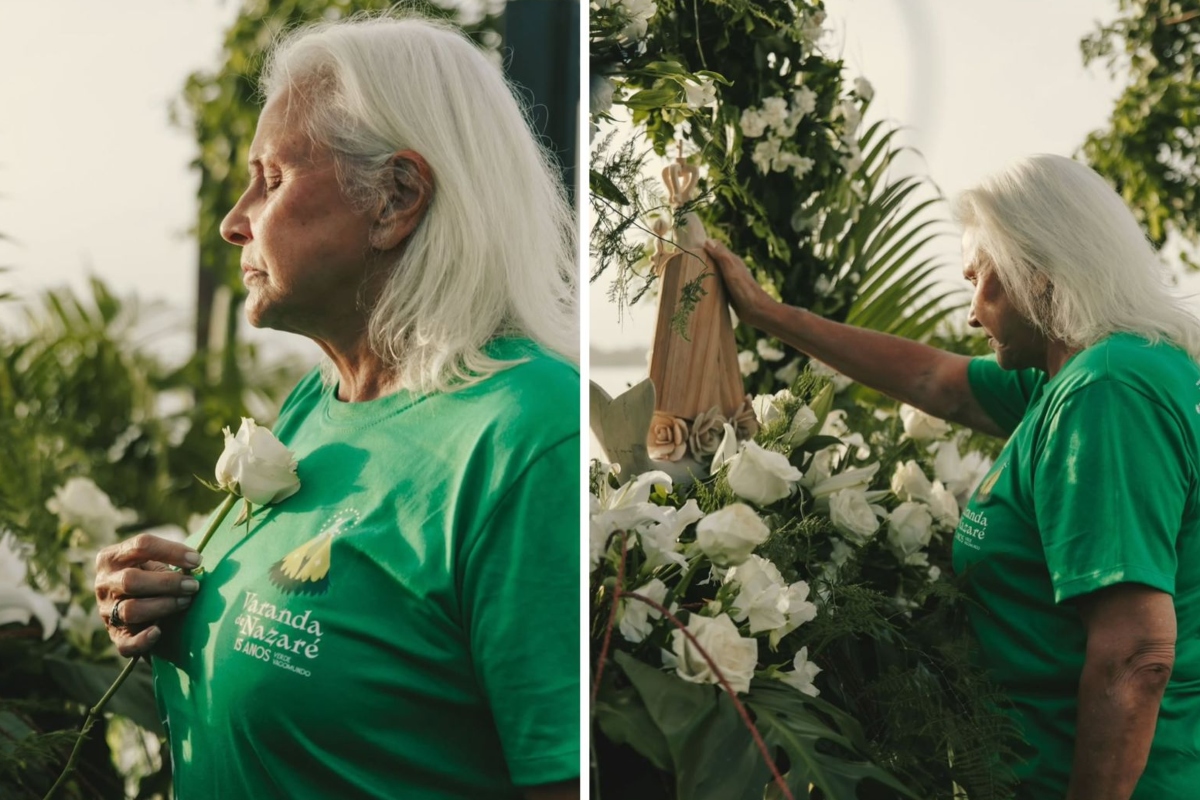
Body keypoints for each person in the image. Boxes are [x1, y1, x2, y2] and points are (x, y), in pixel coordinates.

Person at [92, 14, 579, 800]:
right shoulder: (320, 400)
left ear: (395, 198)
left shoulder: (526, 437)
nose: (234, 221)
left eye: (273, 178)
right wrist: (182, 609)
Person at [703, 153, 1200, 800]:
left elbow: (1135, 655)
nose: (970, 312)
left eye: (979, 279)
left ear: (1038, 274)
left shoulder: (1105, 392)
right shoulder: (1092, 371)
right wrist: (770, 315)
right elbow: (933, 379)